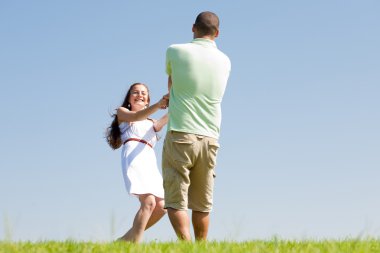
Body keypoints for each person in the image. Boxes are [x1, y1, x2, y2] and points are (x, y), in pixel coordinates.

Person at [162, 11, 231, 241]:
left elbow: (171, 84)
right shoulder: (225, 60)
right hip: (210, 137)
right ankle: (201, 247)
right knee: (202, 202)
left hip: (181, 131)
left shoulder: (175, 50)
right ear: (217, 33)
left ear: (193, 28)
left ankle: (187, 246)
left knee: (175, 198)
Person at [106, 82, 169, 243]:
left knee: (161, 207)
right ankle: (136, 245)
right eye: (135, 92)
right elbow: (136, 116)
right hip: (134, 158)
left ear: (147, 99)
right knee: (148, 201)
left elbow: (170, 115)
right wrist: (158, 105)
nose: (140, 95)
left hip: (149, 160)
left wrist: (174, 99)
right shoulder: (123, 113)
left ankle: (124, 240)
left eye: (143, 93)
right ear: (129, 98)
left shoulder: (152, 123)